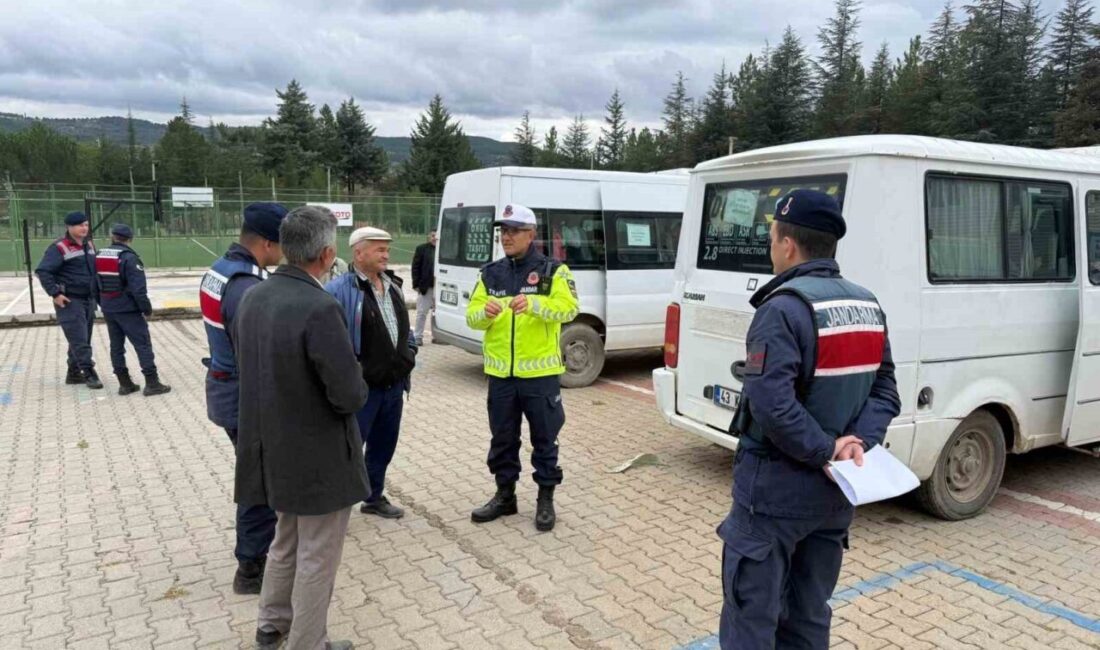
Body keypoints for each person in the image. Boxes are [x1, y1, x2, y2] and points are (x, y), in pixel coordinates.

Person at [718, 190, 901, 649]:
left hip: (774, 496)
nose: (771, 245)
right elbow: (885, 389)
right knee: (807, 618)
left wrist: (825, 450)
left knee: (751, 620)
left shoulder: (782, 308)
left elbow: (770, 404)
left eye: (772, 236)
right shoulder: (867, 305)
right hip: (836, 493)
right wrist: (856, 442)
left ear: (788, 245)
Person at [234, 205, 369, 650]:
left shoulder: (254, 295)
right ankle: (308, 642)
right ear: (328, 254)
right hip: (318, 458)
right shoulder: (319, 306)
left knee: (285, 541)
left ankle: (271, 626)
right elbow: (348, 395)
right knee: (317, 557)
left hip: (273, 448)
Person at [465, 204, 579, 532]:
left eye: (514, 231)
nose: (507, 237)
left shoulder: (552, 271)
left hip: (539, 377)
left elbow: (569, 309)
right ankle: (505, 496)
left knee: (544, 439)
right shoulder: (490, 273)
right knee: (502, 438)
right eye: (503, 231)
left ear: (531, 234)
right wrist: (484, 313)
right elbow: (472, 316)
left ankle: (545, 499)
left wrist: (535, 304)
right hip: (501, 376)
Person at [199, 202, 286, 595]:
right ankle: (252, 568)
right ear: (267, 243)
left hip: (224, 387)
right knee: (260, 483)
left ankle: (259, 555)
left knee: (258, 477)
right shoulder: (248, 287)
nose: (283, 252)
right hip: (244, 397)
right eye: (281, 244)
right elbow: (257, 354)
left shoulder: (220, 270)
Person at [326, 226, 417, 520]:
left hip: (394, 387)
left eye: (387, 249)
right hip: (362, 390)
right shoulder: (339, 290)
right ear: (358, 253)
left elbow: (405, 329)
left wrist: (410, 352)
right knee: (349, 450)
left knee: (383, 446)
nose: (386, 255)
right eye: (379, 249)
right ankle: (336, 506)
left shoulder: (392, 285)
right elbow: (330, 343)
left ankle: (373, 497)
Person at [95, 223, 171, 397]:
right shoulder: (130, 258)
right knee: (142, 345)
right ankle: (152, 383)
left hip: (108, 308)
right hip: (128, 310)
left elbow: (94, 284)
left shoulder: (99, 256)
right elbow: (138, 290)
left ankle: (124, 383)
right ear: (130, 239)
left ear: (112, 236)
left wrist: (102, 303)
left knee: (116, 346)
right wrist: (146, 309)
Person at [35, 211, 102, 389]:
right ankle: (89, 373)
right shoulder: (59, 247)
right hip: (69, 300)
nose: (84, 228)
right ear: (69, 227)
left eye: (86, 225)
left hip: (88, 298)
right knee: (79, 338)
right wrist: (55, 294)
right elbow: (43, 271)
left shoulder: (89, 245)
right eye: (80, 225)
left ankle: (73, 373)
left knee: (83, 337)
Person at [411, 230, 437, 345]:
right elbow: (415, 267)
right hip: (426, 287)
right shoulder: (421, 249)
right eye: (432, 235)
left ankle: (437, 336)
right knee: (422, 312)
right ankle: (417, 336)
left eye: (436, 236)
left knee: (437, 313)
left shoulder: (444, 249)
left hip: (440, 287)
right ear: (428, 237)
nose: (434, 238)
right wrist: (416, 284)